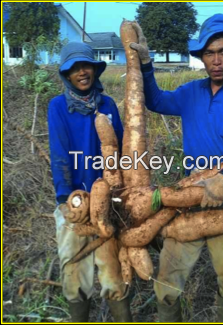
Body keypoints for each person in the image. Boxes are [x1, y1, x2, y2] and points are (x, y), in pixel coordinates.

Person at [130, 14, 223, 322]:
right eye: (209, 53)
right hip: (189, 196)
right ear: (201, 57)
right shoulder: (190, 93)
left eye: (222, 51)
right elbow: (156, 101)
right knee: (167, 281)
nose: (216, 60)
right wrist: (147, 65)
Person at [48, 42, 132, 322]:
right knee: (75, 272)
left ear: (95, 70)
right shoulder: (58, 107)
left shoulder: (107, 104)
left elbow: (118, 147)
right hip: (74, 200)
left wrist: (123, 190)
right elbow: (59, 153)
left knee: (113, 273)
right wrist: (65, 200)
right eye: (74, 68)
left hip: (108, 201)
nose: (82, 72)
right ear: (66, 74)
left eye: (86, 66)